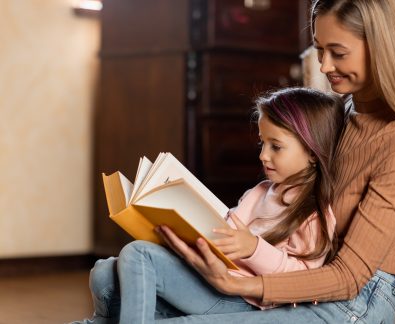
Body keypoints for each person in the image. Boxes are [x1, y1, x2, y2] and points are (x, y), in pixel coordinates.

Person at [154, 0, 395, 323]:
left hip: (359, 298)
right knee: (118, 282)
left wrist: (239, 284)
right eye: (319, 49)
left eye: (337, 52)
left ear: (381, 49)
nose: (323, 66)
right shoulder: (342, 112)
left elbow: (350, 276)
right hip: (307, 281)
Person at [76, 87, 346, 323]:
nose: (263, 155)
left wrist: (254, 249)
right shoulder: (261, 192)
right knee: (104, 272)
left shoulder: (313, 212)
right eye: (262, 143)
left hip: (242, 299)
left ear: (312, 152)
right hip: (209, 279)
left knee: (138, 255)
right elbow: (222, 231)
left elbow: (306, 278)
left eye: (276, 146)